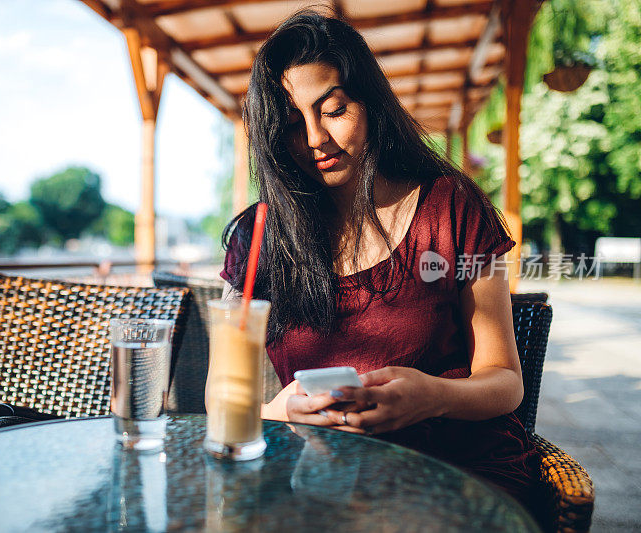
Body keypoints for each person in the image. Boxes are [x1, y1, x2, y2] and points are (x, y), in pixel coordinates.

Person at [220, 10, 547, 527]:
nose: (315, 140)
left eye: (333, 110)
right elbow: (230, 407)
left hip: (456, 470)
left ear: (369, 102)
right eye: (290, 124)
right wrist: (284, 408)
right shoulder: (258, 239)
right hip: (322, 476)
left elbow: (506, 382)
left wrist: (431, 397)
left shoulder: (451, 206)